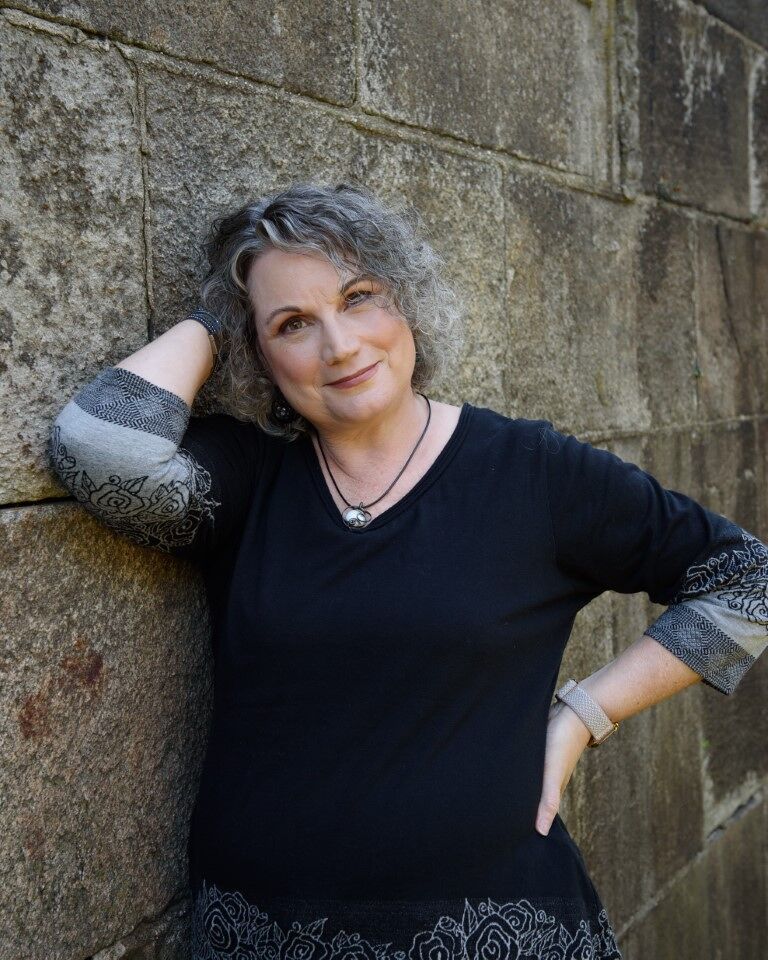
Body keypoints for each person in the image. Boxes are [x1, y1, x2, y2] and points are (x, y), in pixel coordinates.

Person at [47, 181, 768, 960]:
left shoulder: (532, 474)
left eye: (360, 297)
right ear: (260, 355)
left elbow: (746, 579)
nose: (341, 346)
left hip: (496, 935)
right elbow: (99, 450)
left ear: (407, 299)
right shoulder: (251, 478)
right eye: (293, 325)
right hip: (261, 935)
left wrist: (586, 713)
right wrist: (220, 317)